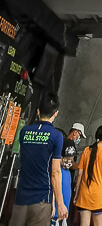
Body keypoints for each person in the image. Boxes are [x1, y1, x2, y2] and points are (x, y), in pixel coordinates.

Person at [9, 90, 67, 226]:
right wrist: (60, 203)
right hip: (41, 199)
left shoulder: (24, 132)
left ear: (38, 111)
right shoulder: (56, 136)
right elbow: (55, 172)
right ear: (56, 113)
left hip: (21, 197)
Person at [74, 125, 102, 226]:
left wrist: (76, 194)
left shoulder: (86, 150)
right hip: (98, 197)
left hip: (84, 195)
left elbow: (79, 174)